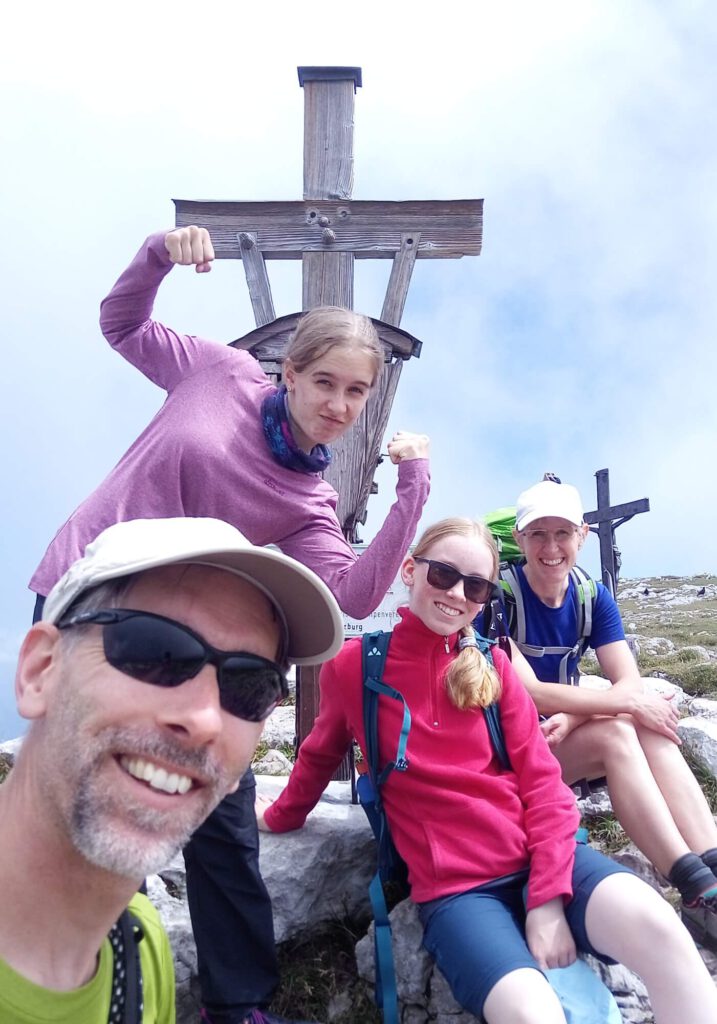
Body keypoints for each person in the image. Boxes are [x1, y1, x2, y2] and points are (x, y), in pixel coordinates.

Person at [28, 225, 430, 1024]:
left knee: (222, 814)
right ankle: (64, 979)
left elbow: (352, 593)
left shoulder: (306, 500)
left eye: (356, 393)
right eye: (324, 382)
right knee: (78, 794)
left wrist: (411, 488)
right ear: (287, 373)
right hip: (91, 592)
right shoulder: (217, 372)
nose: (338, 406)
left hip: (182, 640)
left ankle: (238, 1003)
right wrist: (153, 255)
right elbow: (122, 327)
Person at [258, 517, 717, 1024]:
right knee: (529, 1013)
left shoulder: (495, 667)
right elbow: (320, 755)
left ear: (484, 599)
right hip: (456, 892)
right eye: (443, 575)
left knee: (662, 930)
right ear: (410, 570)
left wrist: (546, 900)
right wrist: (279, 817)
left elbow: (543, 784)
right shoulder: (355, 666)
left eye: (475, 586)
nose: (457, 594)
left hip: (546, 856)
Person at [1, 515, 344, 1024]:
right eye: (154, 651)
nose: (204, 719)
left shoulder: (137, 948)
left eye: (250, 686)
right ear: (40, 670)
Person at [485, 478, 717, 952]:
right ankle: (696, 889)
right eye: (538, 535)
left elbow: (628, 682)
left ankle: (712, 868)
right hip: (506, 753)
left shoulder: (591, 596)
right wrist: (603, 709)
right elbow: (529, 690)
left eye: (563, 534)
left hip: (554, 738)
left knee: (649, 720)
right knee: (618, 729)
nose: (551, 547)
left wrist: (577, 718)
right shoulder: (499, 598)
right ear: (521, 539)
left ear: (583, 535)